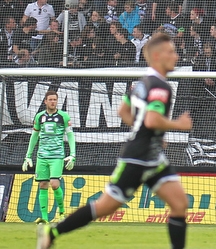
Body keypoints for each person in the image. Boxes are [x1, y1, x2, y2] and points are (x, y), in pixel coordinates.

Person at [37, 32, 193, 249]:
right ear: (157, 56)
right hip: (137, 158)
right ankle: (52, 233)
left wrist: (149, 134)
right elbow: (151, 118)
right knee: (104, 207)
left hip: (152, 155)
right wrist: (178, 125)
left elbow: (124, 111)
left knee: (179, 203)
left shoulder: (143, 83)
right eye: (171, 52)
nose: (176, 56)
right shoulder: (159, 87)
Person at [23, 89, 75, 224]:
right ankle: (45, 219)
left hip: (57, 156)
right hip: (42, 156)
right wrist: (28, 156)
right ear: (45, 101)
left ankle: (62, 213)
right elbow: (34, 136)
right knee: (43, 185)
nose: (53, 102)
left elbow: (70, 135)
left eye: (55, 100)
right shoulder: (39, 117)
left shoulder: (63, 116)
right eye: (50, 99)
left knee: (54, 183)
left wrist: (72, 154)